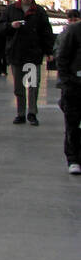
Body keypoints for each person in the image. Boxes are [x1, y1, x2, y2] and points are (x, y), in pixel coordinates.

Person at [0, 0, 54, 125]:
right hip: (16, 54)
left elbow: (46, 33)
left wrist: (49, 51)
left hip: (33, 55)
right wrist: (11, 26)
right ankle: (20, 113)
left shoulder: (39, 11)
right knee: (19, 87)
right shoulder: (11, 10)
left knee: (33, 86)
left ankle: (32, 113)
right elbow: (0, 28)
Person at [54, 9, 81, 174]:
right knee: (72, 123)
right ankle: (73, 159)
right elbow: (62, 57)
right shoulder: (74, 31)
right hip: (74, 85)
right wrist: (67, 82)